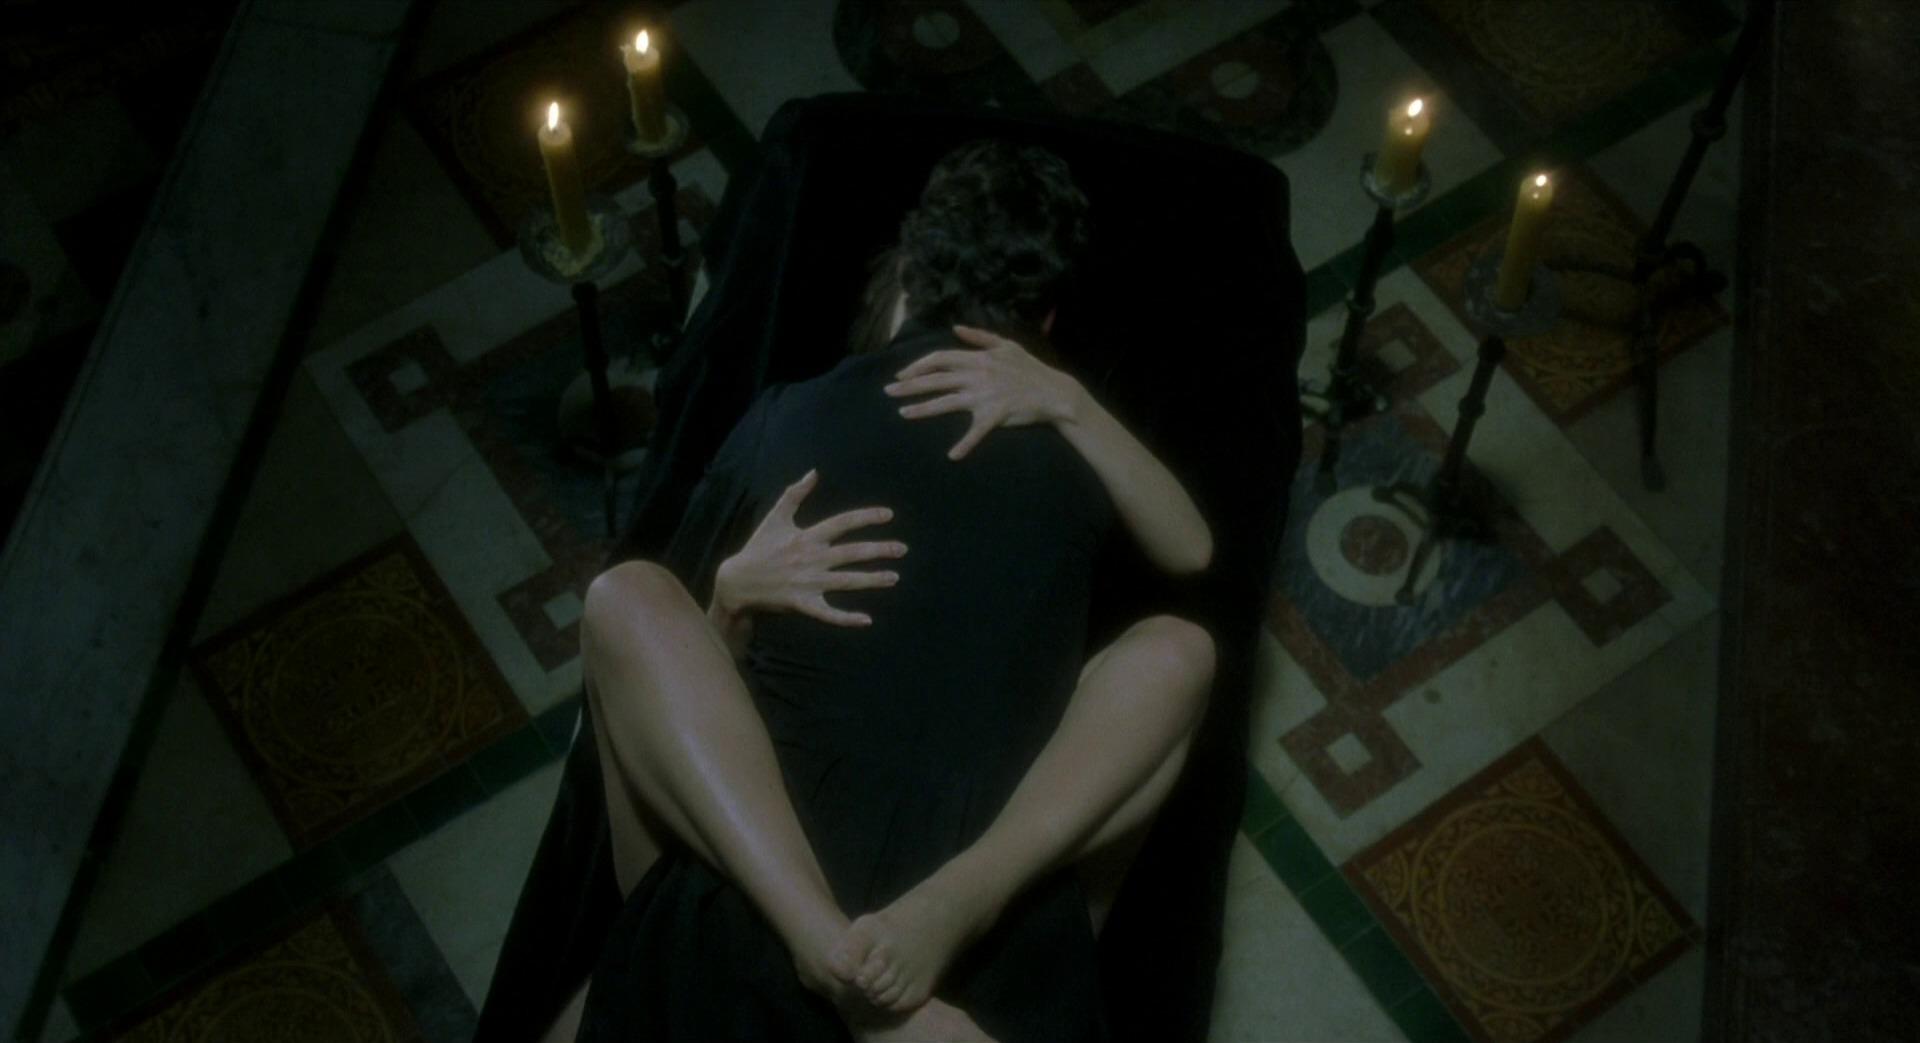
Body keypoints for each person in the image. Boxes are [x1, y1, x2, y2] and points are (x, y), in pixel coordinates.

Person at [560, 139, 1216, 1042]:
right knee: (1183, 650)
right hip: (940, 873)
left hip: (776, 864)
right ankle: (867, 946)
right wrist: (1070, 402)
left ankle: (843, 938)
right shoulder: (1076, 457)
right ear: (1047, 320)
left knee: (626, 597)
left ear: (906, 277)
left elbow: (672, 700)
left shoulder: (789, 415)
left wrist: (724, 600)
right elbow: (1193, 552)